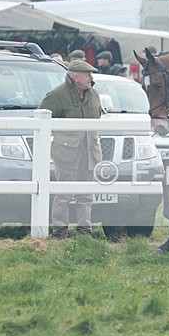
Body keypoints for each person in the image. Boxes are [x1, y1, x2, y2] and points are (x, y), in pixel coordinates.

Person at [39, 60, 104, 238]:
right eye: (87, 74)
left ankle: (85, 230)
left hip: (89, 151)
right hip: (67, 153)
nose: (91, 77)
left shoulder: (94, 94)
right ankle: (60, 231)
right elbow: (40, 121)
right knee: (64, 193)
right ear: (76, 77)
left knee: (86, 194)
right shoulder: (57, 95)